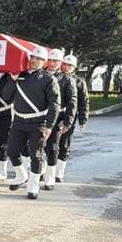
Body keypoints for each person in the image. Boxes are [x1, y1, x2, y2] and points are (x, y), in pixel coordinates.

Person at [1, 47, 60, 199]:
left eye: (38, 58)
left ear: (43, 61)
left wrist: (49, 126)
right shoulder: (19, 76)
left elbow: (54, 104)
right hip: (19, 121)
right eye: (32, 57)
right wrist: (12, 80)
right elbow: (6, 96)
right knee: (12, 150)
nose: (34, 60)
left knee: (36, 155)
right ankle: (22, 175)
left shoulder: (49, 79)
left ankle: (33, 187)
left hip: (38, 122)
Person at [41, 49, 77, 191]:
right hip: (39, 117)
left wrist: (68, 121)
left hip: (58, 118)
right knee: (35, 147)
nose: (52, 63)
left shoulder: (67, 80)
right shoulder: (40, 75)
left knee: (52, 147)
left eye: (56, 61)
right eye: (50, 60)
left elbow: (72, 102)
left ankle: (50, 178)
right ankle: (39, 171)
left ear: (60, 62)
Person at [56, 54, 89, 183]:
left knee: (64, 143)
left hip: (69, 116)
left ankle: (59, 172)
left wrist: (83, 119)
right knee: (49, 144)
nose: (67, 67)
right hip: (53, 115)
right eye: (64, 64)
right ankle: (46, 170)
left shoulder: (79, 82)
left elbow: (84, 102)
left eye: (70, 65)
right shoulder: (54, 78)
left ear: (74, 67)